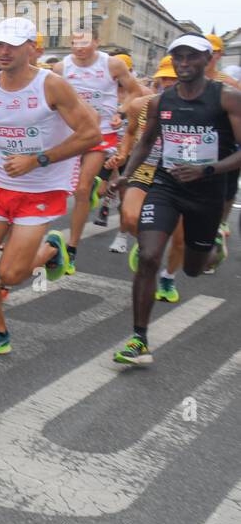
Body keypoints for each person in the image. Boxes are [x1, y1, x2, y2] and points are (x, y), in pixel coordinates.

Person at [0, 18, 101, 360]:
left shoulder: (52, 86)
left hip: (42, 186)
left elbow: (91, 134)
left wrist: (39, 159)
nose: (3, 51)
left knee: (11, 273)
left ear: (32, 48)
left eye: (12, 45)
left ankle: (51, 249)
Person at [108, 35, 241, 365]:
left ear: (207, 59)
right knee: (149, 256)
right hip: (166, 186)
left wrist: (206, 169)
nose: (183, 63)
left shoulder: (227, 99)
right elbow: (146, 142)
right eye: (177, 57)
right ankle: (139, 339)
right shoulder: (160, 101)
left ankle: (213, 245)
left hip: (207, 192)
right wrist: (126, 173)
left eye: (191, 57)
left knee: (195, 269)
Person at [52, 29, 141, 274]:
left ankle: (71, 249)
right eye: (74, 43)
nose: (79, 48)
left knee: (82, 189)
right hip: (70, 133)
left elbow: (135, 91)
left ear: (96, 42)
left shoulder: (112, 64)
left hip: (101, 134)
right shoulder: (61, 68)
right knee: (58, 188)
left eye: (84, 42)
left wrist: (120, 112)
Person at [109, 56, 185, 301]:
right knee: (130, 217)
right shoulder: (141, 105)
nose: (169, 82)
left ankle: (168, 277)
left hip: (182, 177)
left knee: (181, 239)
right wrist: (122, 154)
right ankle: (146, 246)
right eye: (164, 77)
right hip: (146, 169)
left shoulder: (200, 109)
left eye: (173, 77)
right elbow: (131, 133)